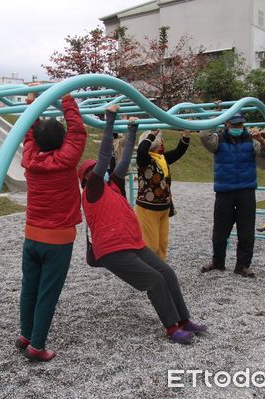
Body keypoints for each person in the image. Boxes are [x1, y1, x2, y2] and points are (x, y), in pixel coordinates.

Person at [78, 105, 207, 344]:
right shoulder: (93, 190)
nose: (102, 170)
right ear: (87, 178)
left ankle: (183, 319)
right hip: (112, 250)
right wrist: (109, 120)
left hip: (132, 243)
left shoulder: (113, 186)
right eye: (94, 170)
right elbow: (105, 155)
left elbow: (125, 159)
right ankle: (171, 328)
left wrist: (132, 130)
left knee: (166, 272)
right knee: (154, 280)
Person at [16, 89, 88, 361]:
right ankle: (37, 346)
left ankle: (25, 334)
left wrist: (32, 106)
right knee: (48, 292)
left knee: (30, 286)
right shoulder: (66, 159)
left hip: (32, 235)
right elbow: (78, 130)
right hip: (58, 238)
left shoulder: (30, 157)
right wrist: (67, 99)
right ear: (62, 140)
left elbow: (27, 133)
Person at [199, 112, 265, 278]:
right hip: (224, 191)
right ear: (226, 124)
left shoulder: (252, 140)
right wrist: (217, 116)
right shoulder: (218, 140)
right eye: (234, 125)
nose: (237, 128)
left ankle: (242, 265)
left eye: (240, 125)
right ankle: (218, 262)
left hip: (246, 191)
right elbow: (204, 136)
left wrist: (262, 140)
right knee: (220, 231)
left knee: (246, 232)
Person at [135, 129, 191, 261]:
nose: (163, 143)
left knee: (161, 245)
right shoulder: (145, 160)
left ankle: (160, 271)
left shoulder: (162, 159)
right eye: (161, 140)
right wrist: (152, 135)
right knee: (150, 245)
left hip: (164, 208)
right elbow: (141, 151)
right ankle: (148, 273)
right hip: (148, 208)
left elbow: (179, 152)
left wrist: (186, 135)